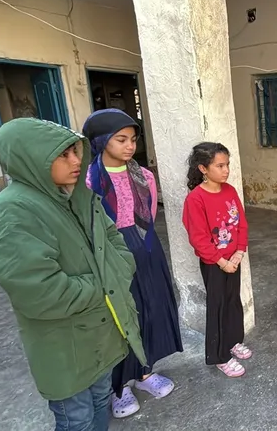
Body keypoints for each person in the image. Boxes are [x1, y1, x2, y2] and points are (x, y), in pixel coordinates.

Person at [0, 118, 146, 431]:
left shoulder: (77, 196)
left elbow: (115, 243)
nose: (75, 161)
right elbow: (39, 291)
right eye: (63, 155)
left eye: (76, 152)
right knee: (77, 420)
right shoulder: (15, 210)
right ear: (32, 158)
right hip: (65, 346)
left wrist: (118, 271)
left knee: (100, 405)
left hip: (100, 336)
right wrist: (104, 284)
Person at [82, 109, 183, 418]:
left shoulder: (144, 177)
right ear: (101, 141)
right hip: (109, 252)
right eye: (121, 139)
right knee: (120, 316)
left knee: (150, 308)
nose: (130, 146)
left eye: (133, 139)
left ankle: (144, 373)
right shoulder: (89, 181)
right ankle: (119, 386)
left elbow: (148, 217)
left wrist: (140, 246)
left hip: (146, 247)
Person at [182, 142, 252, 378]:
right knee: (218, 306)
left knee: (233, 302)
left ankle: (232, 341)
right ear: (203, 168)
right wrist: (222, 262)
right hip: (215, 264)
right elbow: (199, 238)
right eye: (220, 166)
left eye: (227, 165)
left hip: (234, 259)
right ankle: (219, 356)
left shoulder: (229, 191)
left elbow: (241, 224)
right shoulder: (196, 199)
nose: (226, 170)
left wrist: (239, 252)